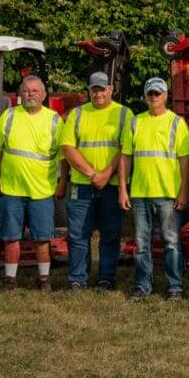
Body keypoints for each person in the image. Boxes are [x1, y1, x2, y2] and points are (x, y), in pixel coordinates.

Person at [119, 77, 189, 301]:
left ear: (166, 96)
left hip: (168, 194)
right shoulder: (135, 121)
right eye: (150, 93)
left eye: (158, 93)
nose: (154, 97)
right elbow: (125, 157)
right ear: (145, 96)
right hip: (140, 194)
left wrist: (183, 191)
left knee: (171, 242)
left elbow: (185, 161)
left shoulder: (176, 123)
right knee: (142, 244)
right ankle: (142, 286)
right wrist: (123, 189)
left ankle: (175, 287)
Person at [59, 72, 131, 291]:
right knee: (78, 234)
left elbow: (125, 149)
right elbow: (68, 148)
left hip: (111, 186)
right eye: (94, 89)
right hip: (82, 185)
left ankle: (106, 278)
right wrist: (92, 174)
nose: (98, 93)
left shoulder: (124, 114)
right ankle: (78, 279)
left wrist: (106, 174)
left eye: (102, 89)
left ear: (110, 89)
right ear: (89, 91)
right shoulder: (77, 114)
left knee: (110, 234)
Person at [0, 75, 61, 291]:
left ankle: (44, 279)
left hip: (42, 191)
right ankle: (10, 280)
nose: (31, 94)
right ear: (20, 94)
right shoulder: (9, 116)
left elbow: (64, 155)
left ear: (44, 95)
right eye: (27, 90)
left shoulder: (54, 120)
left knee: (42, 238)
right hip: (12, 190)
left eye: (36, 91)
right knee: (11, 237)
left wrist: (62, 182)